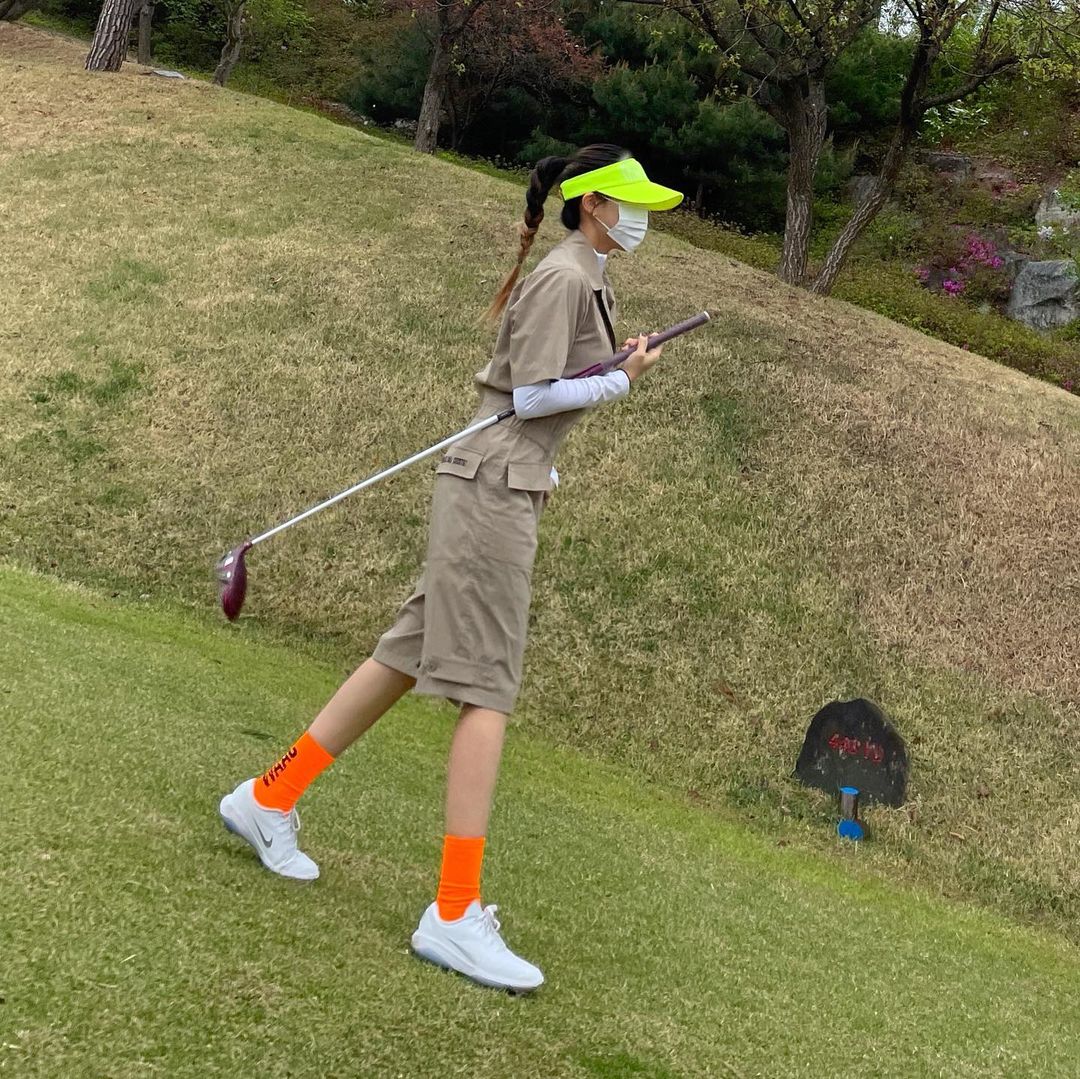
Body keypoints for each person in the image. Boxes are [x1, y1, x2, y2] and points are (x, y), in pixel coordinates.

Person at [219, 145, 684, 992]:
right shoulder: (565, 276)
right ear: (592, 205)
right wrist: (620, 384)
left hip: (502, 482)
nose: (642, 216)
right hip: (491, 489)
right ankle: (455, 910)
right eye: (631, 202)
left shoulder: (589, 275)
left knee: (405, 654)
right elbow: (532, 395)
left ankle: (269, 796)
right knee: (488, 688)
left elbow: (547, 388)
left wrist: (614, 370)